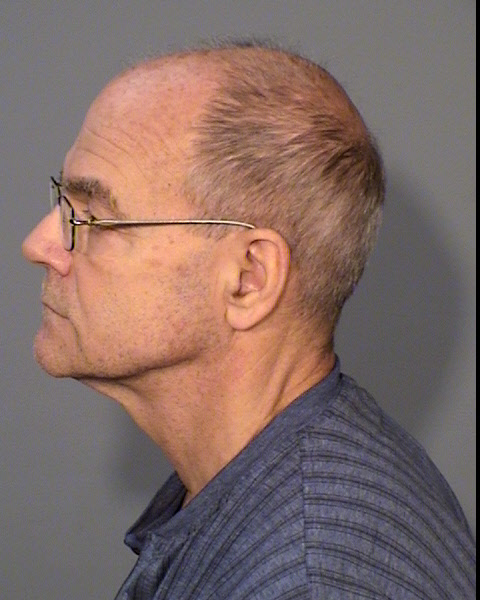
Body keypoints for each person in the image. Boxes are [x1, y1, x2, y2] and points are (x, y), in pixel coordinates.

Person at [22, 43, 475, 600]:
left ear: (248, 278)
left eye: (92, 216)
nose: (39, 245)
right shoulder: (272, 494)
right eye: (63, 203)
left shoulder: (311, 579)